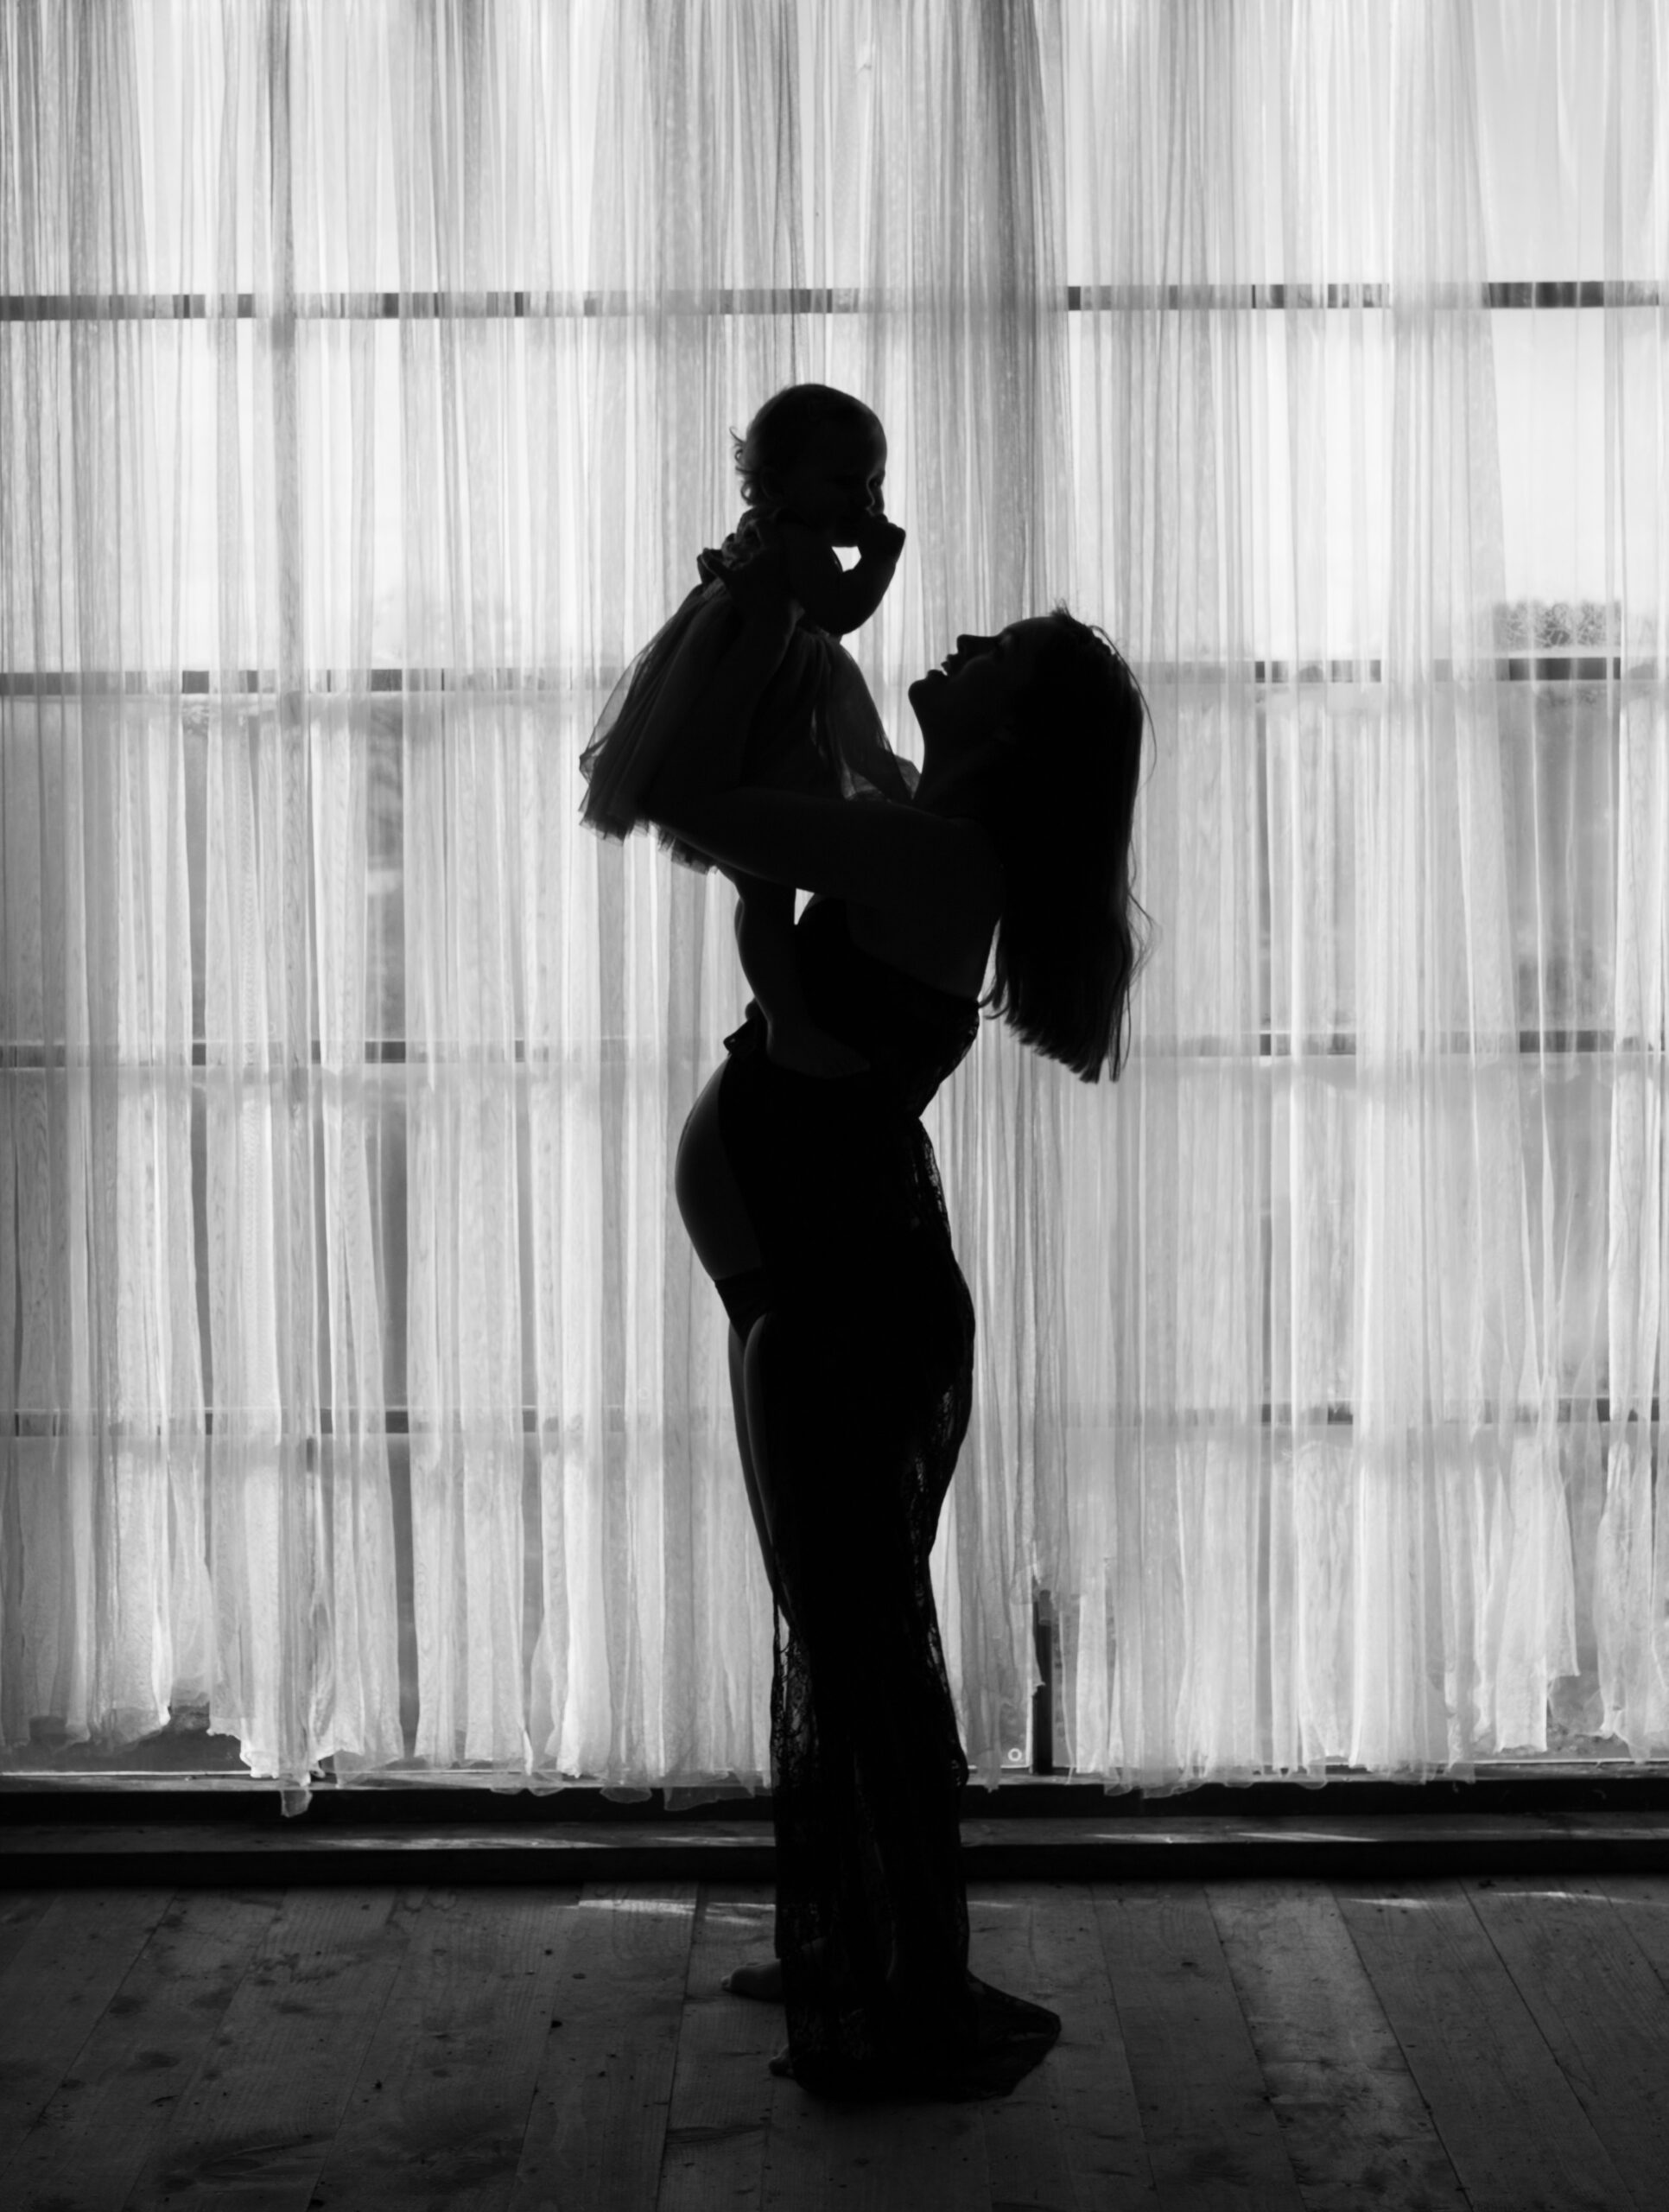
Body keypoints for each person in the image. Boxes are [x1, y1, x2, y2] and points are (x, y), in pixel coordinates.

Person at [637, 524, 1153, 2102]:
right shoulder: (925, 824)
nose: (968, 639)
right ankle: (861, 1948)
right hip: (827, 1275)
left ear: (1015, 729)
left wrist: (745, 616)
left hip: (850, 1290)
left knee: (859, 1650)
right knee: (844, 1633)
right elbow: (839, 714)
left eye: (1002, 652)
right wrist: (778, 605)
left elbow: (686, 799)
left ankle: (904, 1986)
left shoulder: (936, 857)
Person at [581, 382, 914, 1077]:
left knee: (764, 888)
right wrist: (880, 560)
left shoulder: (775, 530)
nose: (866, 501)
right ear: (778, 485)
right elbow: (840, 611)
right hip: (767, 718)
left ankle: (786, 1016)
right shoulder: (795, 538)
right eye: (845, 481)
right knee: (769, 883)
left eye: (875, 482)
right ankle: (788, 1023)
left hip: (760, 704)